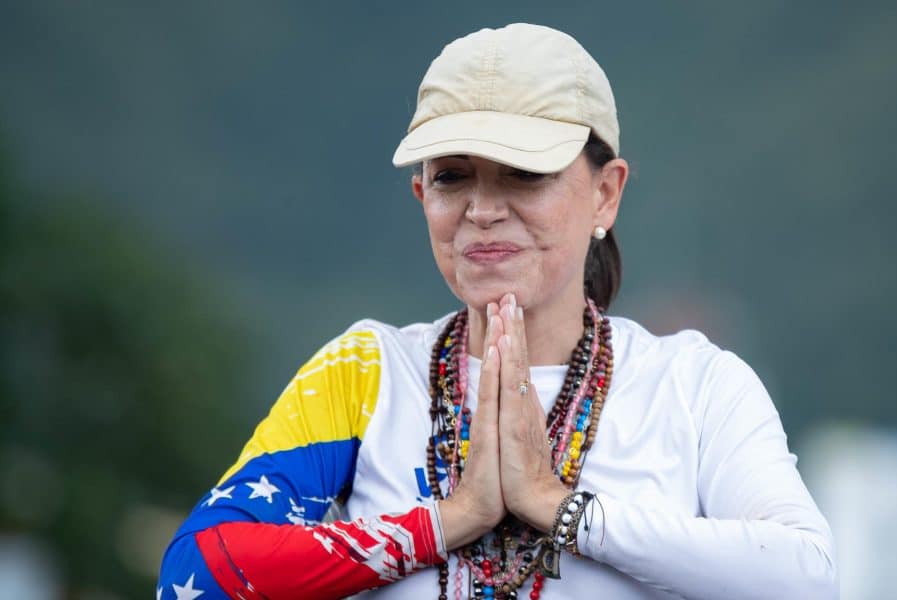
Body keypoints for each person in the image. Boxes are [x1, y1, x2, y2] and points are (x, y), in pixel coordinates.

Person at [158, 23, 838, 599]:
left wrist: (561, 509)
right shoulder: (366, 371)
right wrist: (450, 521)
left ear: (606, 193)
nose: (482, 210)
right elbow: (195, 574)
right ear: (420, 193)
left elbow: (806, 576)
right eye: (454, 177)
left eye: (524, 173)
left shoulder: (693, 385)